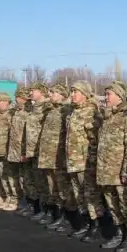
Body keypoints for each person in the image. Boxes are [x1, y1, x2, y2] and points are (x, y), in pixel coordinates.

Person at [96, 81, 127, 252]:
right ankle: (119, 233)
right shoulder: (108, 116)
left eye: (109, 94)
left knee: (126, 204)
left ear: (119, 96)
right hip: (106, 170)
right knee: (112, 203)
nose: (106, 97)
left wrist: (126, 171)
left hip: (121, 171)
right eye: (106, 94)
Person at [64, 81, 104, 241]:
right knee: (78, 194)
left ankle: (96, 225)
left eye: (76, 91)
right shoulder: (72, 112)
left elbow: (98, 140)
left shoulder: (92, 112)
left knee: (90, 195)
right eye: (71, 91)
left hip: (86, 162)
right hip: (73, 161)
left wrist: (93, 162)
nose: (72, 94)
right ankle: (86, 223)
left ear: (85, 94)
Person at [36, 84, 74, 230]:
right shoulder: (51, 110)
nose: (50, 94)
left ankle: (67, 217)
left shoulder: (66, 110)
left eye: (53, 92)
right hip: (49, 156)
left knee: (63, 188)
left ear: (62, 95)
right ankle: (55, 214)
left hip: (59, 157)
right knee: (52, 187)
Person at [25, 82, 51, 220]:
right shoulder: (34, 107)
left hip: (42, 150)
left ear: (41, 91)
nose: (30, 93)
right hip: (32, 150)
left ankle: (47, 210)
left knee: (44, 182)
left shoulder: (47, 107)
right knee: (35, 181)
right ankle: (38, 207)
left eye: (33, 90)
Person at [0, 93, 17, 211]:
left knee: (9, 176)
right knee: (1, 174)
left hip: (6, 150)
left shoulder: (10, 114)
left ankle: (13, 199)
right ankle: (6, 197)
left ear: (6, 102)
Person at [7, 87, 32, 214]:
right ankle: (23, 202)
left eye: (20, 97)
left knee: (27, 180)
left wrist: (26, 152)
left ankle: (30, 205)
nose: (17, 99)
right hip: (15, 151)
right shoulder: (16, 112)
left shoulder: (29, 112)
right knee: (18, 177)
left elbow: (29, 135)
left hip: (23, 152)